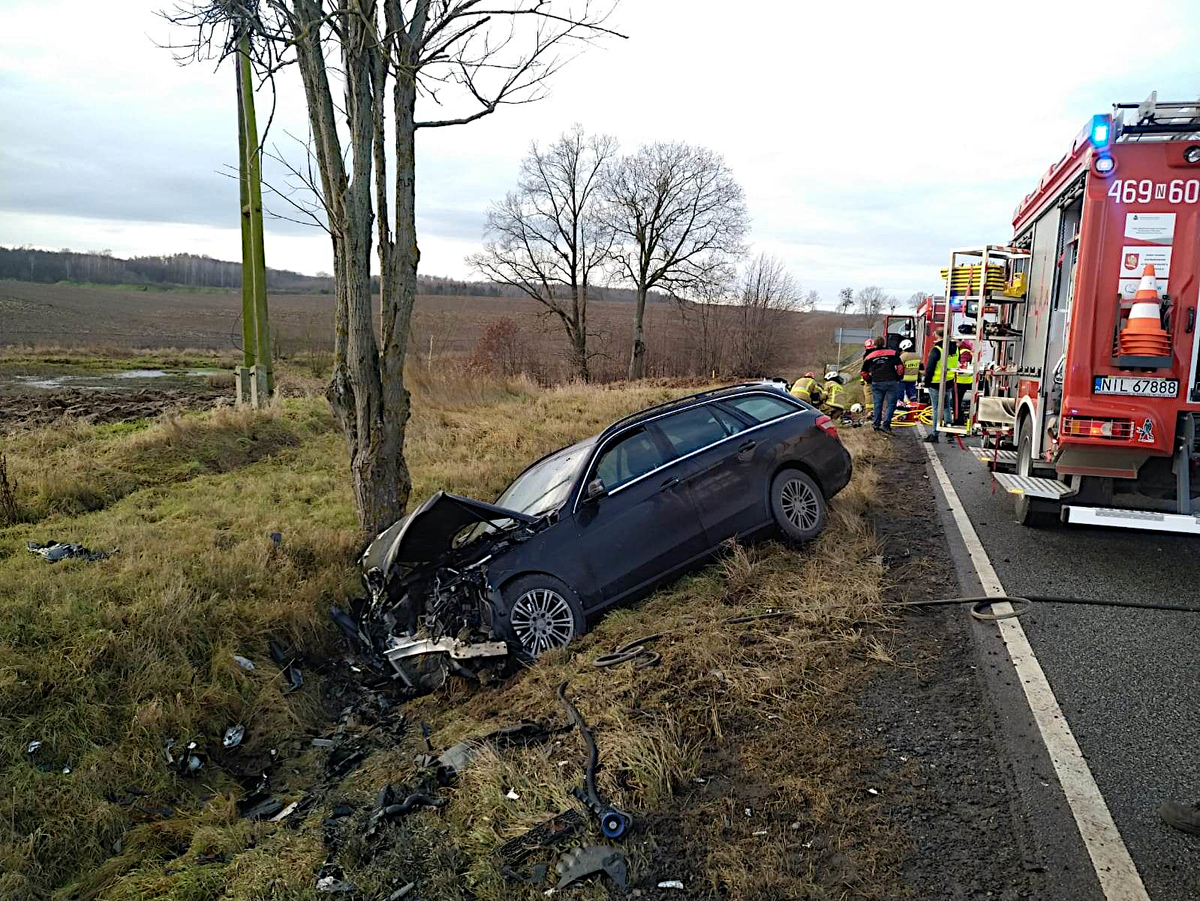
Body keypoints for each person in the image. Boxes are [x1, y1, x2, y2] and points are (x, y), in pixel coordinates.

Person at [860, 336, 904, 434]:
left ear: (875, 345)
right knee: (891, 404)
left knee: (877, 404)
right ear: (884, 343)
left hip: (877, 382)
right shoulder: (893, 353)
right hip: (891, 381)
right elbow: (900, 367)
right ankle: (887, 423)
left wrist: (870, 380)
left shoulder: (869, 357)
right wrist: (898, 377)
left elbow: (863, 372)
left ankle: (876, 424)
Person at [922, 332, 956, 443]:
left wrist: (926, 382)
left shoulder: (937, 350)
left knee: (936, 408)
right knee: (946, 406)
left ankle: (935, 434)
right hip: (949, 382)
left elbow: (930, 368)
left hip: (936, 383)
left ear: (938, 337)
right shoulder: (955, 350)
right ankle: (949, 430)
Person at [899, 339, 920, 404]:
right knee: (912, 394)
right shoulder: (918, 356)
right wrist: (919, 378)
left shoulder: (903, 356)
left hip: (903, 379)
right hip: (913, 379)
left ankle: (901, 408)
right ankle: (914, 407)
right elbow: (921, 369)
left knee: (900, 395)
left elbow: (899, 367)